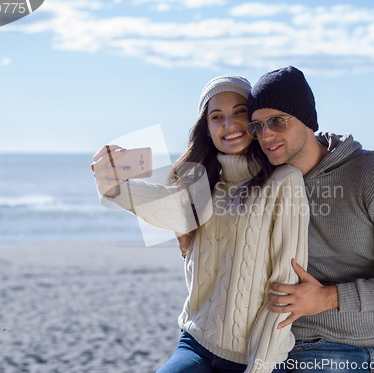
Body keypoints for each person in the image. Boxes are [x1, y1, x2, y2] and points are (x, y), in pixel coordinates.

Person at [91, 75, 309, 373]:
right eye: (216, 117)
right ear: (206, 129)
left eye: (239, 112)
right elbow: (157, 204)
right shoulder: (201, 185)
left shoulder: (285, 181)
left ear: (255, 121)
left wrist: (258, 369)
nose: (229, 125)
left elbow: (286, 289)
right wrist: (110, 181)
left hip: (255, 357)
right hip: (196, 344)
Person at [244, 66, 374, 373]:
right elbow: (205, 183)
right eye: (257, 127)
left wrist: (326, 297)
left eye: (277, 121)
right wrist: (184, 228)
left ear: (307, 121)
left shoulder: (373, 175)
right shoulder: (266, 183)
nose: (266, 135)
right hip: (316, 348)